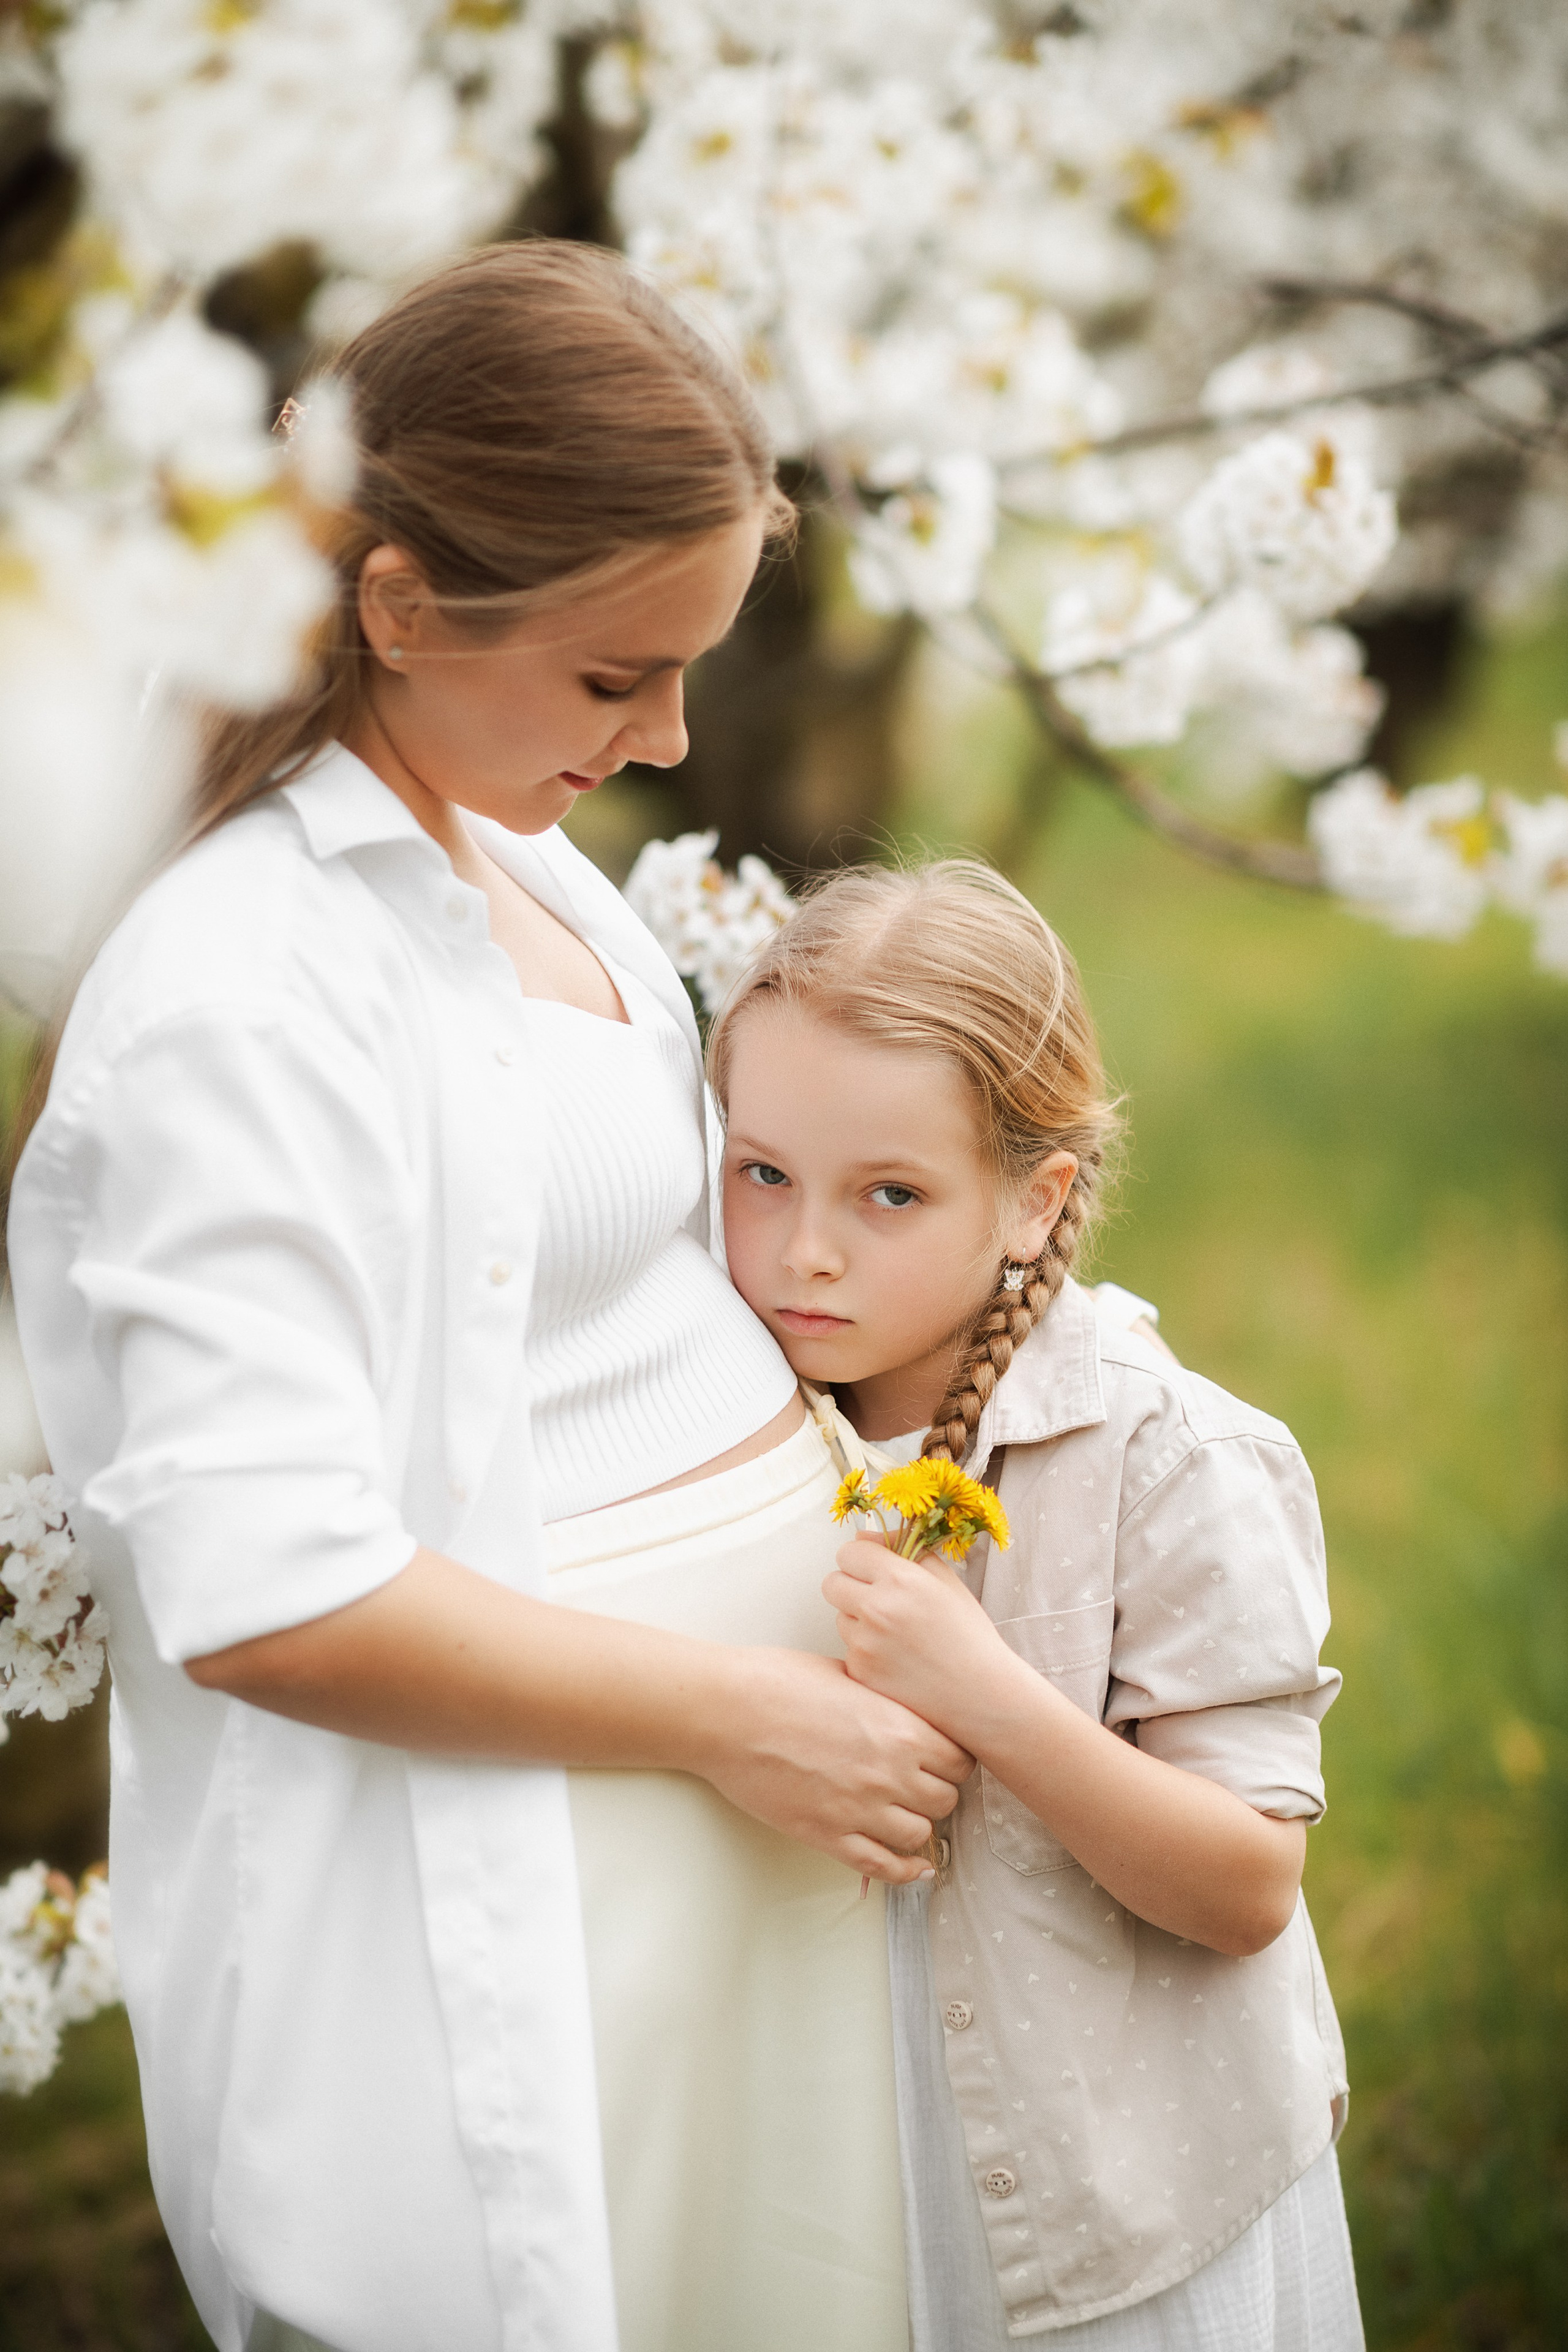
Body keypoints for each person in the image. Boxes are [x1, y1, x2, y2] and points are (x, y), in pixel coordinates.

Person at [7, 243, 975, 2352]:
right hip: (536, 1891)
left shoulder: (505, 857)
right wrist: (749, 1716)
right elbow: (269, 1592)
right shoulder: (239, 996)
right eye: (620, 675)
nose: (669, 738)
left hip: (741, 1836)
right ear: (400, 612)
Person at [707, 858, 1365, 2350]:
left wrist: (985, 1692)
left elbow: (1245, 1886)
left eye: (888, 1193)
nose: (805, 1247)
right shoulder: (731, 1428)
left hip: (1120, 2198)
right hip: (845, 2192)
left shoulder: (1163, 1456)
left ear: (1031, 1200)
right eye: (760, 1174)